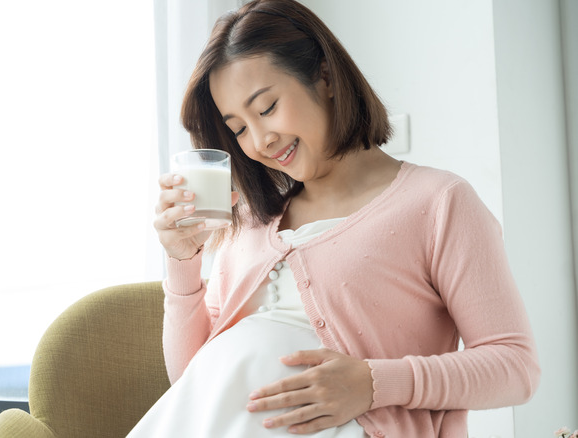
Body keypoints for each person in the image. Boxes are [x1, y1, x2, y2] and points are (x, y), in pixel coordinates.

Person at [131, 0, 540, 436]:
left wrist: (372, 383)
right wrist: (182, 261)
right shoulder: (249, 221)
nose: (260, 141)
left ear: (324, 76)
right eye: (239, 128)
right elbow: (190, 384)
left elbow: (515, 367)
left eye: (266, 108)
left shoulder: (439, 202)